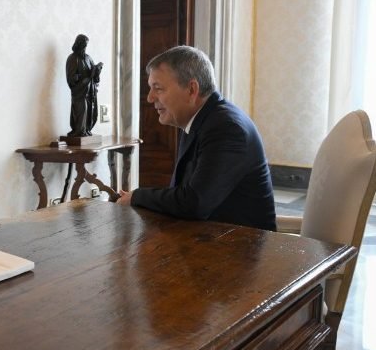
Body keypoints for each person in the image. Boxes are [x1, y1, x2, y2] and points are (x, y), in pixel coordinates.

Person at [117, 46, 276, 231]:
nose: (150, 98)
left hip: (240, 243)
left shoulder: (227, 128)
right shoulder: (200, 119)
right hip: (208, 235)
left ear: (192, 89)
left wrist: (137, 196)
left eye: (158, 88)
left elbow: (195, 203)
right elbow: (184, 193)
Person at [66, 34, 103, 137]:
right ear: (78, 44)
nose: (85, 48)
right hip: (79, 92)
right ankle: (79, 131)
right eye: (83, 45)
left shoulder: (88, 58)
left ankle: (86, 129)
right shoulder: (72, 58)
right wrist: (79, 77)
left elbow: (94, 76)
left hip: (90, 90)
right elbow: (70, 78)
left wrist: (97, 71)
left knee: (91, 112)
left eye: (86, 45)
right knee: (82, 110)